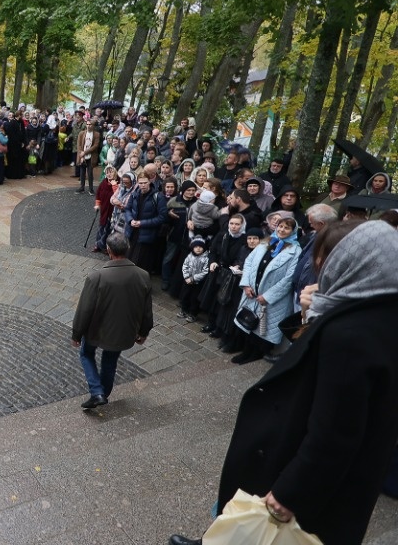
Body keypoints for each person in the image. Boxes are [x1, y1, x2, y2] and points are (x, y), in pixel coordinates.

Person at [170, 220, 398, 545]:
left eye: (327, 258)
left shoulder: (350, 333)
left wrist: (290, 493)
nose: (317, 266)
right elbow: (297, 344)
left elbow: (335, 432)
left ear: (357, 265)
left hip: (298, 461)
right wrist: (310, 314)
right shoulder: (368, 310)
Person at [71, 232, 153, 409]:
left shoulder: (96, 277)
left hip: (96, 330)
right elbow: (147, 311)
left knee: (86, 354)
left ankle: (97, 392)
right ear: (128, 248)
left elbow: (85, 309)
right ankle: (103, 393)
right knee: (110, 361)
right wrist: (144, 332)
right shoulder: (143, 275)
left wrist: (76, 333)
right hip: (123, 332)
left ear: (108, 250)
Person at [230, 215, 301, 364]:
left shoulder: (295, 251)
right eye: (280, 226)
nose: (282, 229)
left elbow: (289, 279)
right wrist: (246, 284)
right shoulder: (266, 242)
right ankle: (245, 350)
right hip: (252, 291)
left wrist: (268, 296)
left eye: (286, 227)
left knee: (263, 328)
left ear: (293, 231)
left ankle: (255, 353)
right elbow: (249, 262)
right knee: (249, 322)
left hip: (271, 298)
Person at [177, 237, 209, 323]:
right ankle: (184, 310)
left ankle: (193, 314)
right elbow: (185, 266)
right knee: (185, 295)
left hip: (197, 283)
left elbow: (205, 272)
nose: (198, 248)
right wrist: (186, 277)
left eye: (200, 247)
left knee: (194, 299)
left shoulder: (206, 258)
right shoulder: (189, 256)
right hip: (187, 281)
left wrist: (193, 278)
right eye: (196, 247)